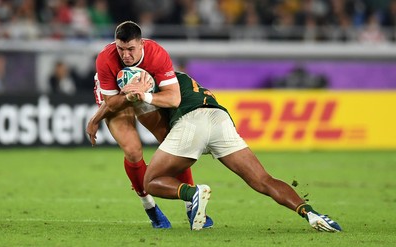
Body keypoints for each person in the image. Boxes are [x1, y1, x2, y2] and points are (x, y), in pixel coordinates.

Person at [123, 70, 342, 232]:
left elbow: (161, 130)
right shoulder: (181, 78)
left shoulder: (156, 82)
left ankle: (193, 193)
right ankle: (310, 213)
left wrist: (135, 100)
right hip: (220, 119)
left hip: (192, 122)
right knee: (264, 180)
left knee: (150, 181)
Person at [88, 20, 213, 229]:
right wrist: (119, 102)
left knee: (171, 142)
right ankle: (151, 208)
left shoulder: (156, 54)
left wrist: (141, 94)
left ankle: (192, 206)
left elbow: (173, 98)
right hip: (118, 100)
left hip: (142, 94)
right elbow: (111, 103)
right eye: (120, 49)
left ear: (141, 45)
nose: (125, 55)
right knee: (133, 150)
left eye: (130, 49)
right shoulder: (105, 59)